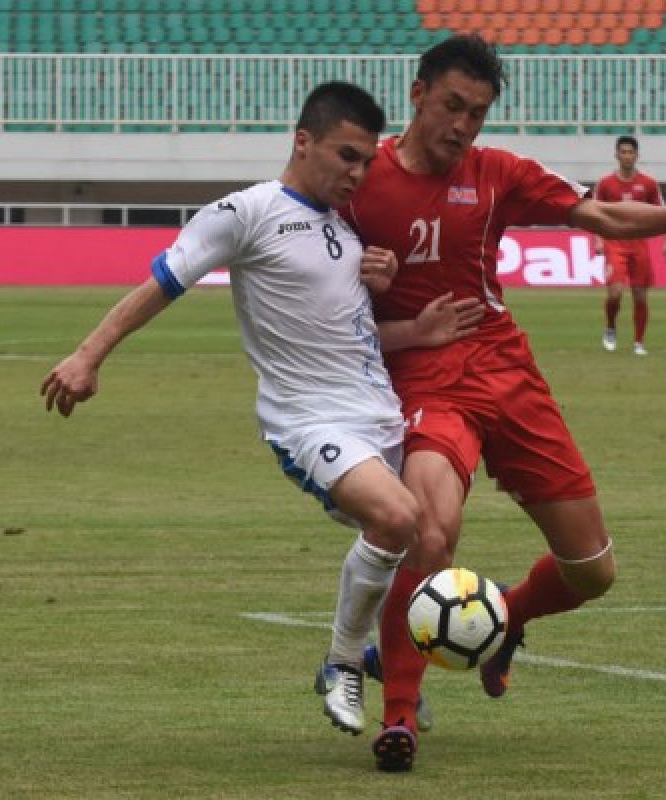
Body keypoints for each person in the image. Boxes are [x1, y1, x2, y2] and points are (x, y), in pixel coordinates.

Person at [338, 34, 666, 772]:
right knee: (430, 532)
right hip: (427, 383)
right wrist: (368, 282)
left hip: (507, 372)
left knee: (592, 570)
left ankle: (505, 614)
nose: (463, 126)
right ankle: (398, 713)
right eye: (452, 106)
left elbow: (598, 216)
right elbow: (317, 296)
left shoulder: (499, 173)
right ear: (417, 94)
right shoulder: (360, 181)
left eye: (478, 113)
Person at [39, 82, 483, 740]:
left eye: (365, 161)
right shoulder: (245, 213)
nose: (357, 173)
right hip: (309, 422)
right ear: (303, 141)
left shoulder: (349, 232)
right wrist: (87, 355)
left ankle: (378, 654)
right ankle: (340, 663)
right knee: (397, 518)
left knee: (435, 543)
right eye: (346, 156)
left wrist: (415, 331)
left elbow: (346, 336)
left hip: (379, 416)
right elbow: (162, 283)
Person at [593, 135, 666, 355]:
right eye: (623, 152)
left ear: (637, 156)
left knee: (640, 295)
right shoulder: (606, 184)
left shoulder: (648, 184)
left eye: (630, 152)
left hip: (639, 243)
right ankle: (610, 327)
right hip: (614, 242)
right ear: (616, 155)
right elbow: (596, 212)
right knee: (615, 292)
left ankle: (638, 342)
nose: (626, 156)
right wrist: (598, 239)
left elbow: (662, 212)